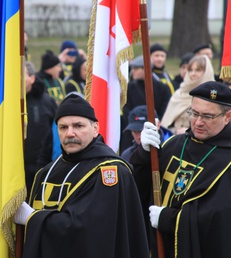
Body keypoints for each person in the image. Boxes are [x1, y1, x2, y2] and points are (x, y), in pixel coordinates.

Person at [130, 81, 231, 258]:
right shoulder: (174, 144)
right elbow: (140, 189)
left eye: (208, 116)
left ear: (228, 116)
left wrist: (171, 220)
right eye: (194, 113)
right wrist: (143, 154)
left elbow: (225, 223)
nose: (198, 122)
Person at [15, 94, 149, 258]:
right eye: (63, 127)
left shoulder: (110, 171)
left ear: (95, 129)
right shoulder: (45, 173)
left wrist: (32, 219)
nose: (70, 133)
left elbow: (87, 230)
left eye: (78, 126)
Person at [23, 61, 57, 195]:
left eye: (22, 76)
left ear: (32, 78)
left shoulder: (46, 101)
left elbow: (55, 133)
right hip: (14, 169)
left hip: (41, 167)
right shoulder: (5, 101)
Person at [161, 55, 215, 134]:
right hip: (177, 141)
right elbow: (166, 125)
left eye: (198, 70)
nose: (193, 74)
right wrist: (175, 132)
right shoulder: (180, 93)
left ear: (207, 72)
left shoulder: (212, 95)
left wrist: (188, 132)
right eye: (190, 70)